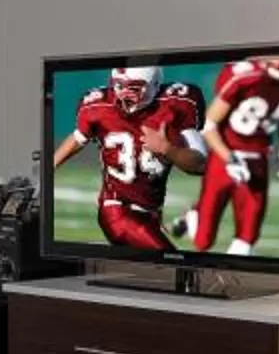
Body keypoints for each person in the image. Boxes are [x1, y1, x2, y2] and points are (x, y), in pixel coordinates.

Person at [50, 64, 207, 254]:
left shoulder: (177, 105)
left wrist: (167, 149)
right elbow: (78, 138)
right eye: (118, 86)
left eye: (133, 88)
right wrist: (47, 168)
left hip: (149, 213)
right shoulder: (99, 106)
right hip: (116, 211)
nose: (123, 94)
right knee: (173, 263)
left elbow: (200, 164)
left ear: (154, 85)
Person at [184, 53, 279, 255]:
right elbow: (209, 125)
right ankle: (196, 212)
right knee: (203, 242)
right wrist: (229, 158)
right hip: (225, 155)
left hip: (258, 158)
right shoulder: (243, 77)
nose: (278, 61)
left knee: (247, 237)